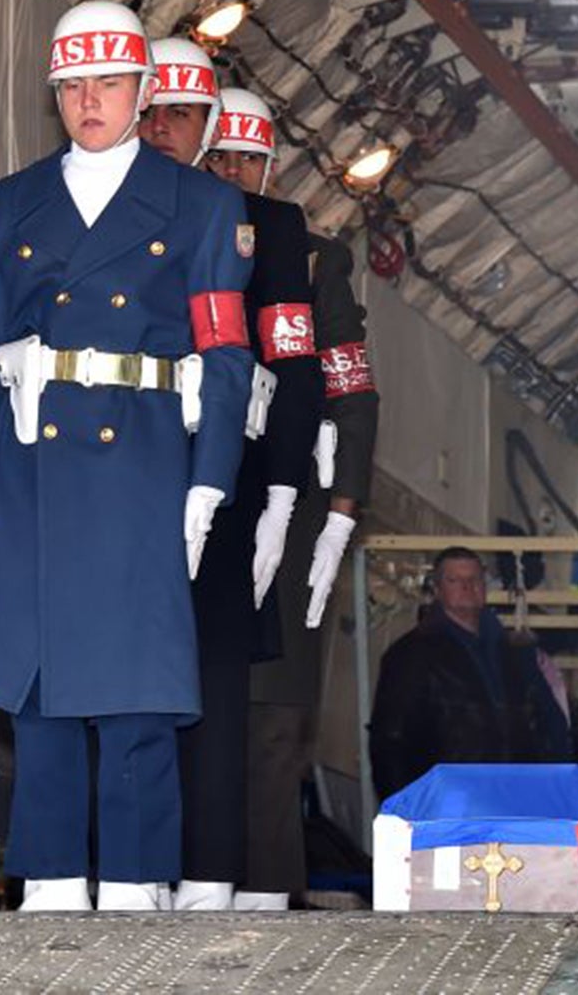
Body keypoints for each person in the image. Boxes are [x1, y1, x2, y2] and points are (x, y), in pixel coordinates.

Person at [0, 0, 254, 913]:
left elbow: (225, 347)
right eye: (74, 86)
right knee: (39, 693)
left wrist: (210, 482)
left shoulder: (203, 206)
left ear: (142, 90)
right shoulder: (6, 206)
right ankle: (48, 883)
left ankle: (131, 887)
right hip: (35, 466)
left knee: (136, 698)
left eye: (109, 84)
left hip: (143, 462)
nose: (91, 102)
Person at [145, 66, 325, 911]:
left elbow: (295, 366)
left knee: (218, 683)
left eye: (181, 115)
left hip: (235, 471)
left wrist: (285, 494)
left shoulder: (267, 229)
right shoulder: (115, 205)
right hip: (135, 466)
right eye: (153, 112)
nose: (162, 128)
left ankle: (211, 870)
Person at [240, 228, 378, 910]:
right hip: (201, 498)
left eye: (245, 158)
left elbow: (350, 386)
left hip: (293, 516)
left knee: (276, 715)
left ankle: (264, 888)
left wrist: (342, 513)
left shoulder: (315, 260)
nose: (230, 172)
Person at [366, 549, 565, 801]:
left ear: (484, 586)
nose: (467, 586)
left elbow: (548, 724)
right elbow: (390, 740)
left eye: (474, 579)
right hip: (449, 805)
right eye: (454, 580)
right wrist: (403, 810)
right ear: (437, 590)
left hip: (517, 801)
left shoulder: (516, 654)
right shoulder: (410, 655)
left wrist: (553, 793)